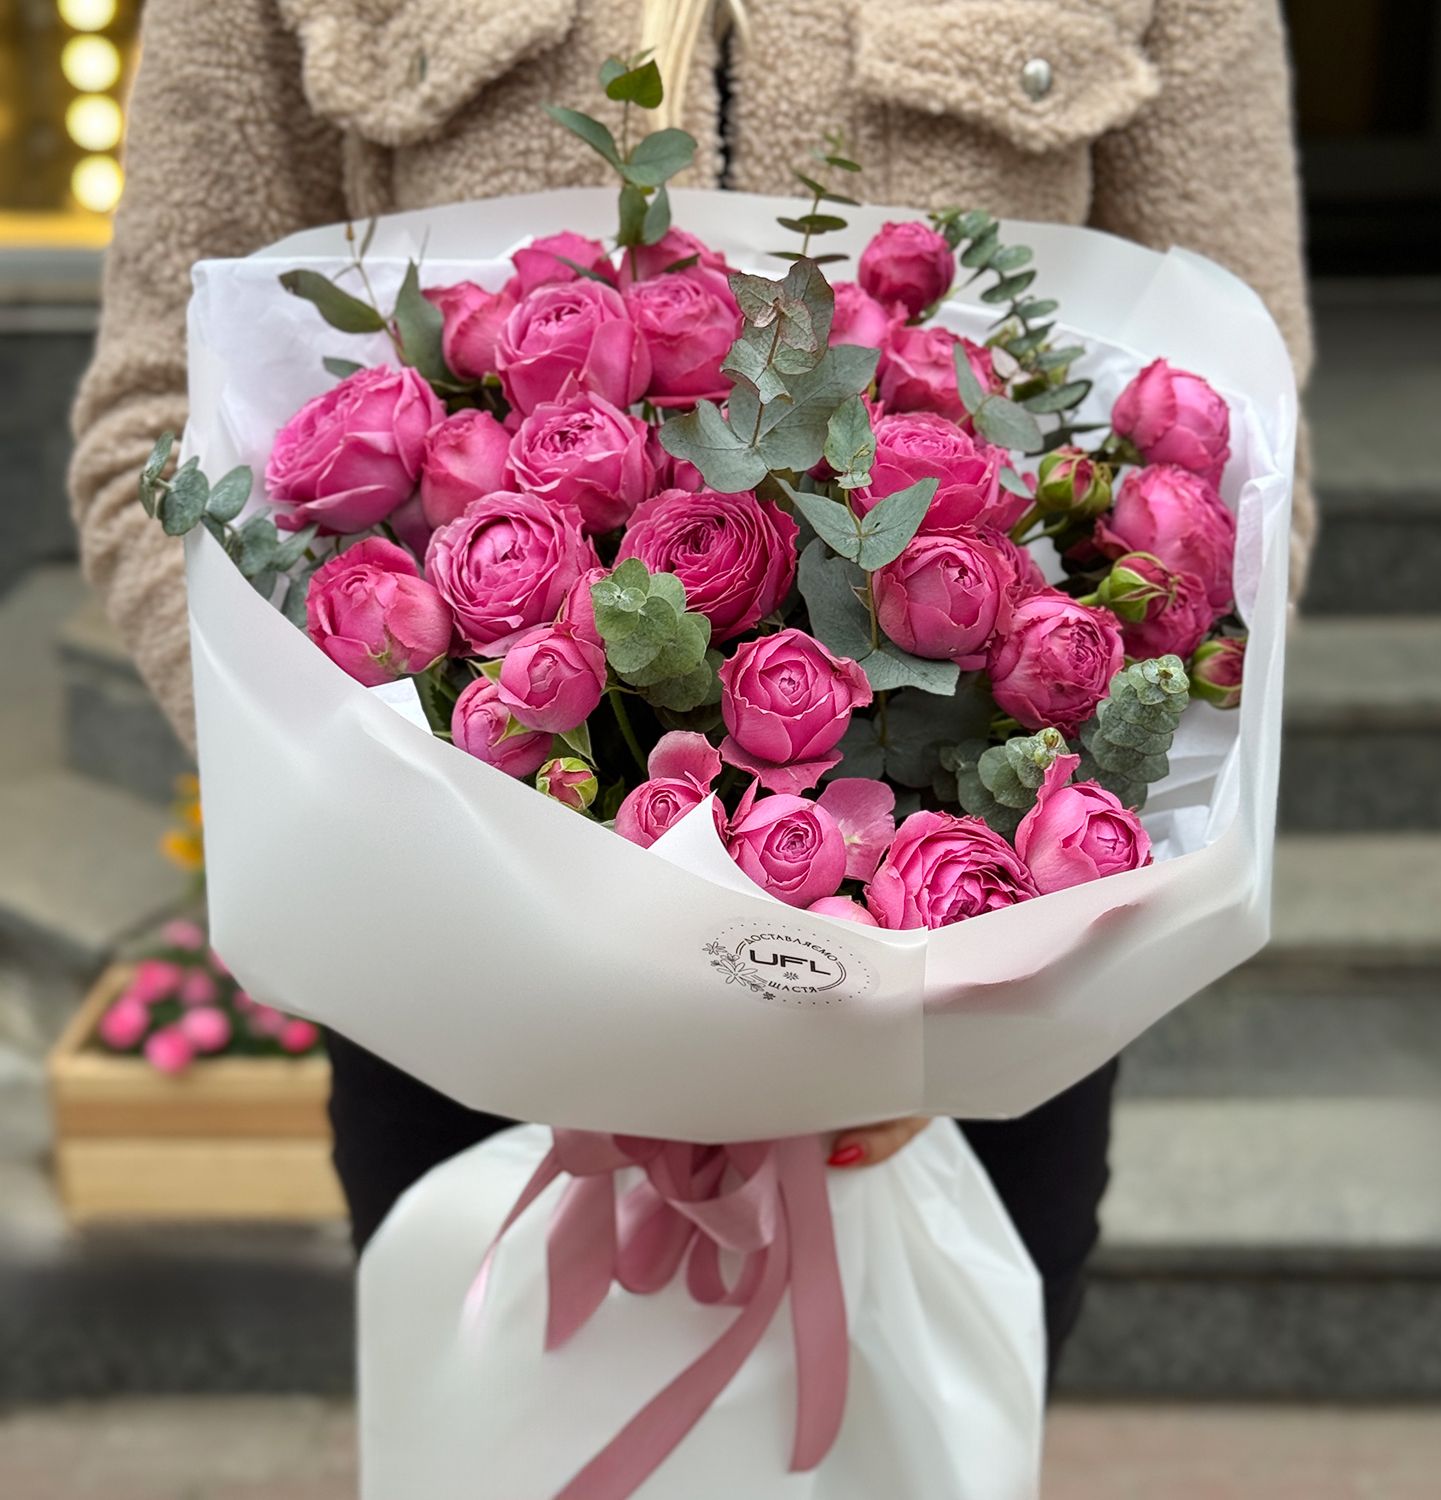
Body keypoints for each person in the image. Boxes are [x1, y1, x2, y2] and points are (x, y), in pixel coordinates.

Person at [69, 0, 1315, 1378]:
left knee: (925, 1443)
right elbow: (149, 436)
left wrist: (960, 1003)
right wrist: (427, 854)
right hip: (463, 1022)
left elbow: (1249, 470)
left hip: (970, 1046)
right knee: (492, 1433)